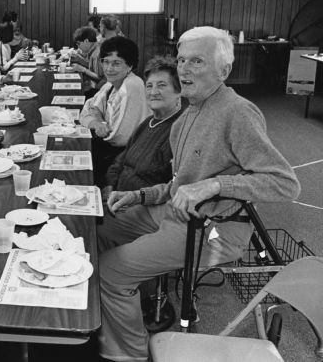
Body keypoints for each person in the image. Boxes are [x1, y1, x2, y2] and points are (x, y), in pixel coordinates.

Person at [97, 27, 301, 362]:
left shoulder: (238, 112)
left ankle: (128, 353)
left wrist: (217, 185)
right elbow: (180, 186)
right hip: (174, 215)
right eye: (181, 60)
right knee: (99, 229)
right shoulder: (186, 116)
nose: (185, 69)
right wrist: (139, 196)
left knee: (111, 270)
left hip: (217, 230)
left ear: (223, 71)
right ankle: (112, 319)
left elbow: (284, 183)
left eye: (197, 61)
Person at [102, 55, 183, 202]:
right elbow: (121, 160)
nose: (153, 92)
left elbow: (171, 188)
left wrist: (132, 199)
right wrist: (109, 185)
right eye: (149, 86)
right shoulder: (148, 123)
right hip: (116, 197)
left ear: (179, 92)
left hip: (141, 207)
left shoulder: (180, 130)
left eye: (162, 85)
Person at [79, 36, 150, 184]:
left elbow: (118, 137)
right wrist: (98, 123)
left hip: (123, 158)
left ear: (130, 65)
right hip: (110, 150)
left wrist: (95, 122)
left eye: (116, 63)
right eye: (105, 61)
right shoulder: (111, 84)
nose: (109, 68)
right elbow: (89, 108)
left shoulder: (132, 85)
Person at [69, 26, 104, 95]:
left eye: (78, 44)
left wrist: (83, 69)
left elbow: (100, 79)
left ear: (86, 41)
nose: (78, 47)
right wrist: (79, 60)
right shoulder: (95, 48)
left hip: (99, 91)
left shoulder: (96, 54)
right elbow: (92, 67)